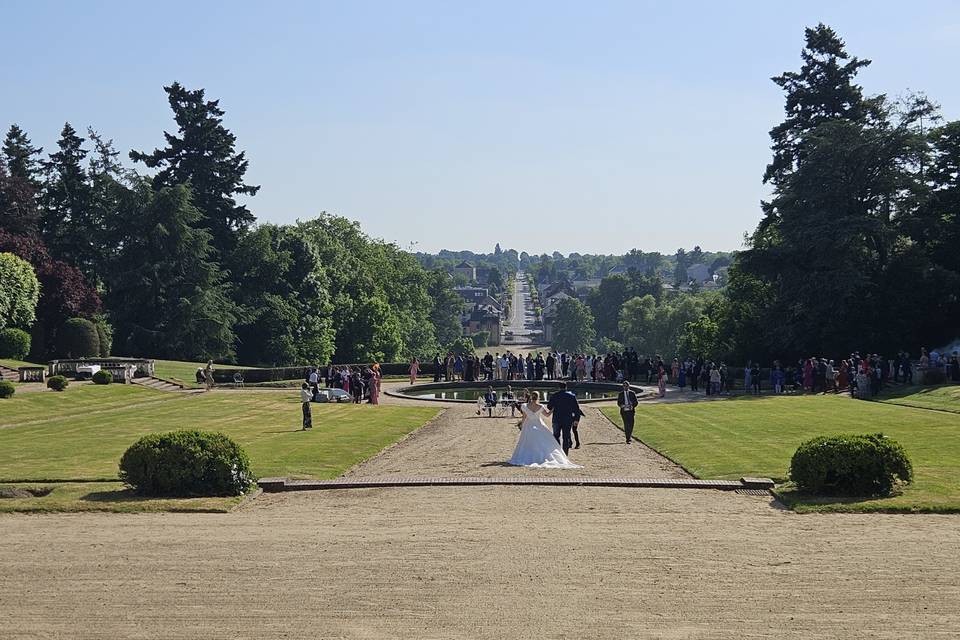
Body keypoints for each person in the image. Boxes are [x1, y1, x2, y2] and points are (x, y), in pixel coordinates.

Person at [508, 391, 582, 469]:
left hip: (528, 425)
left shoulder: (525, 406)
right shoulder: (540, 406)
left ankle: (529, 455)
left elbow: (524, 417)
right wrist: (553, 409)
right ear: (538, 397)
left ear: (530, 397)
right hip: (539, 425)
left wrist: (522, 425)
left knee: (527, 442)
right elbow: (547, 415)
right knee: (543, 441)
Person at [547, 382, 583, 456]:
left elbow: (549, 406)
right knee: (566, 437)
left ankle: (558, 452)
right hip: (567, 419)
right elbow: (576, 409)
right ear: (566, 387)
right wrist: (576, 419)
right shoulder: (572, 396)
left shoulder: (554, 395)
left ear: (559, 387)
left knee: (556, 436)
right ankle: (565, 454)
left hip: (557, 418)